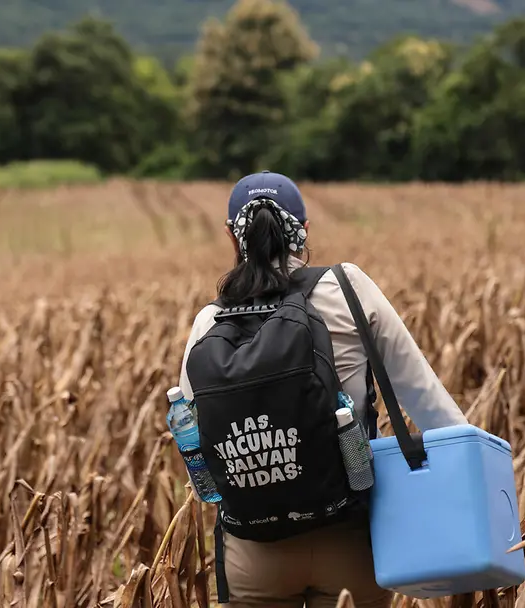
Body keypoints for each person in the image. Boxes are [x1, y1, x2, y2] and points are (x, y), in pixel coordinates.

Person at [177, 171, 468, 608]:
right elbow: (425, 399)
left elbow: (198, 446)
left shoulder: (208, 322)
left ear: (231, 237)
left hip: (253, 550)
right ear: (304, 231)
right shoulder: (347, 288)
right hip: (349, 539)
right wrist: (475, 488)